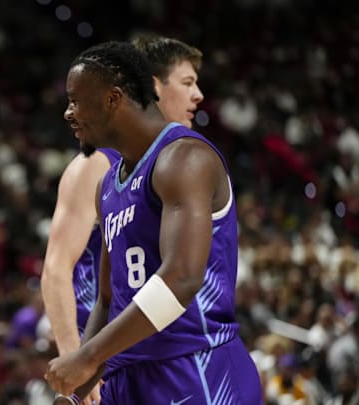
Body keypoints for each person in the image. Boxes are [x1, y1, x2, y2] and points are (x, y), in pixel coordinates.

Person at [44, 41, 262, 404]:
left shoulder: (184, 157)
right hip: (127, 376)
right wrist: (78, 389)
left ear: (113, 98)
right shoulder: (107, 185)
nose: (67, 113)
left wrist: (88, 355)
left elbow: (182, 278)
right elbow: (107, 299)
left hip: (196, 368)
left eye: (74, 100)